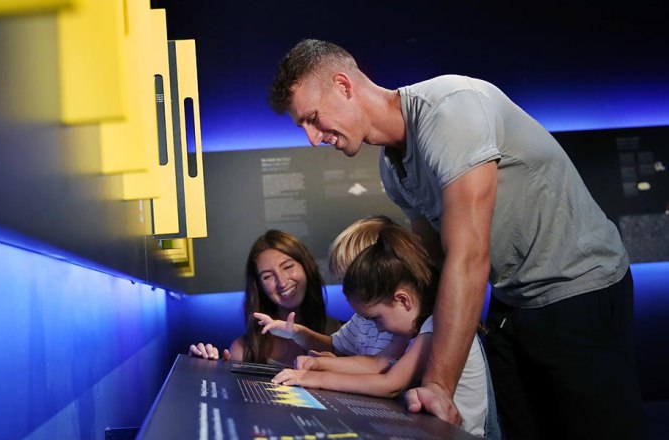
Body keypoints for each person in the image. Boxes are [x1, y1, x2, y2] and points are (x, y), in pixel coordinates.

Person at [267, 39, 643, 439]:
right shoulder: (393, 171)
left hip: (580, 289)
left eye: (313, 118)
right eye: (302, 126)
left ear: (344, 86)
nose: (311, 137)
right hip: (512, 302)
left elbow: (468, 256)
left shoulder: (451, 110)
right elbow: (431, 268)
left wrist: (437, 386)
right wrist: (385, 358)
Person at [272, 224, 495, 438]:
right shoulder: (414, 331)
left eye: (377, 318)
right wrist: (318, 365)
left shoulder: (435, 327)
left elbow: (390, 384)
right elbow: (377, 363)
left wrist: (314, 379)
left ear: (403, 300)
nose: (378, 327)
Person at [255, 215, 408, 360]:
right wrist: (295, 332)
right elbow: (335, 347)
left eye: (351, 281)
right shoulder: (360, 320)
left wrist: (327, 368)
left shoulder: (401, 323)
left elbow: (379, 368)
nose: (346, 291)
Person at [188, 229, 340, 366]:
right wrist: (206, 370)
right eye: (268, 276)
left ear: (306, 267)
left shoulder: (347, 336)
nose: (282, 282)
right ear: (259, 286)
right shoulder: (244, 351)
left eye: (288, 267)